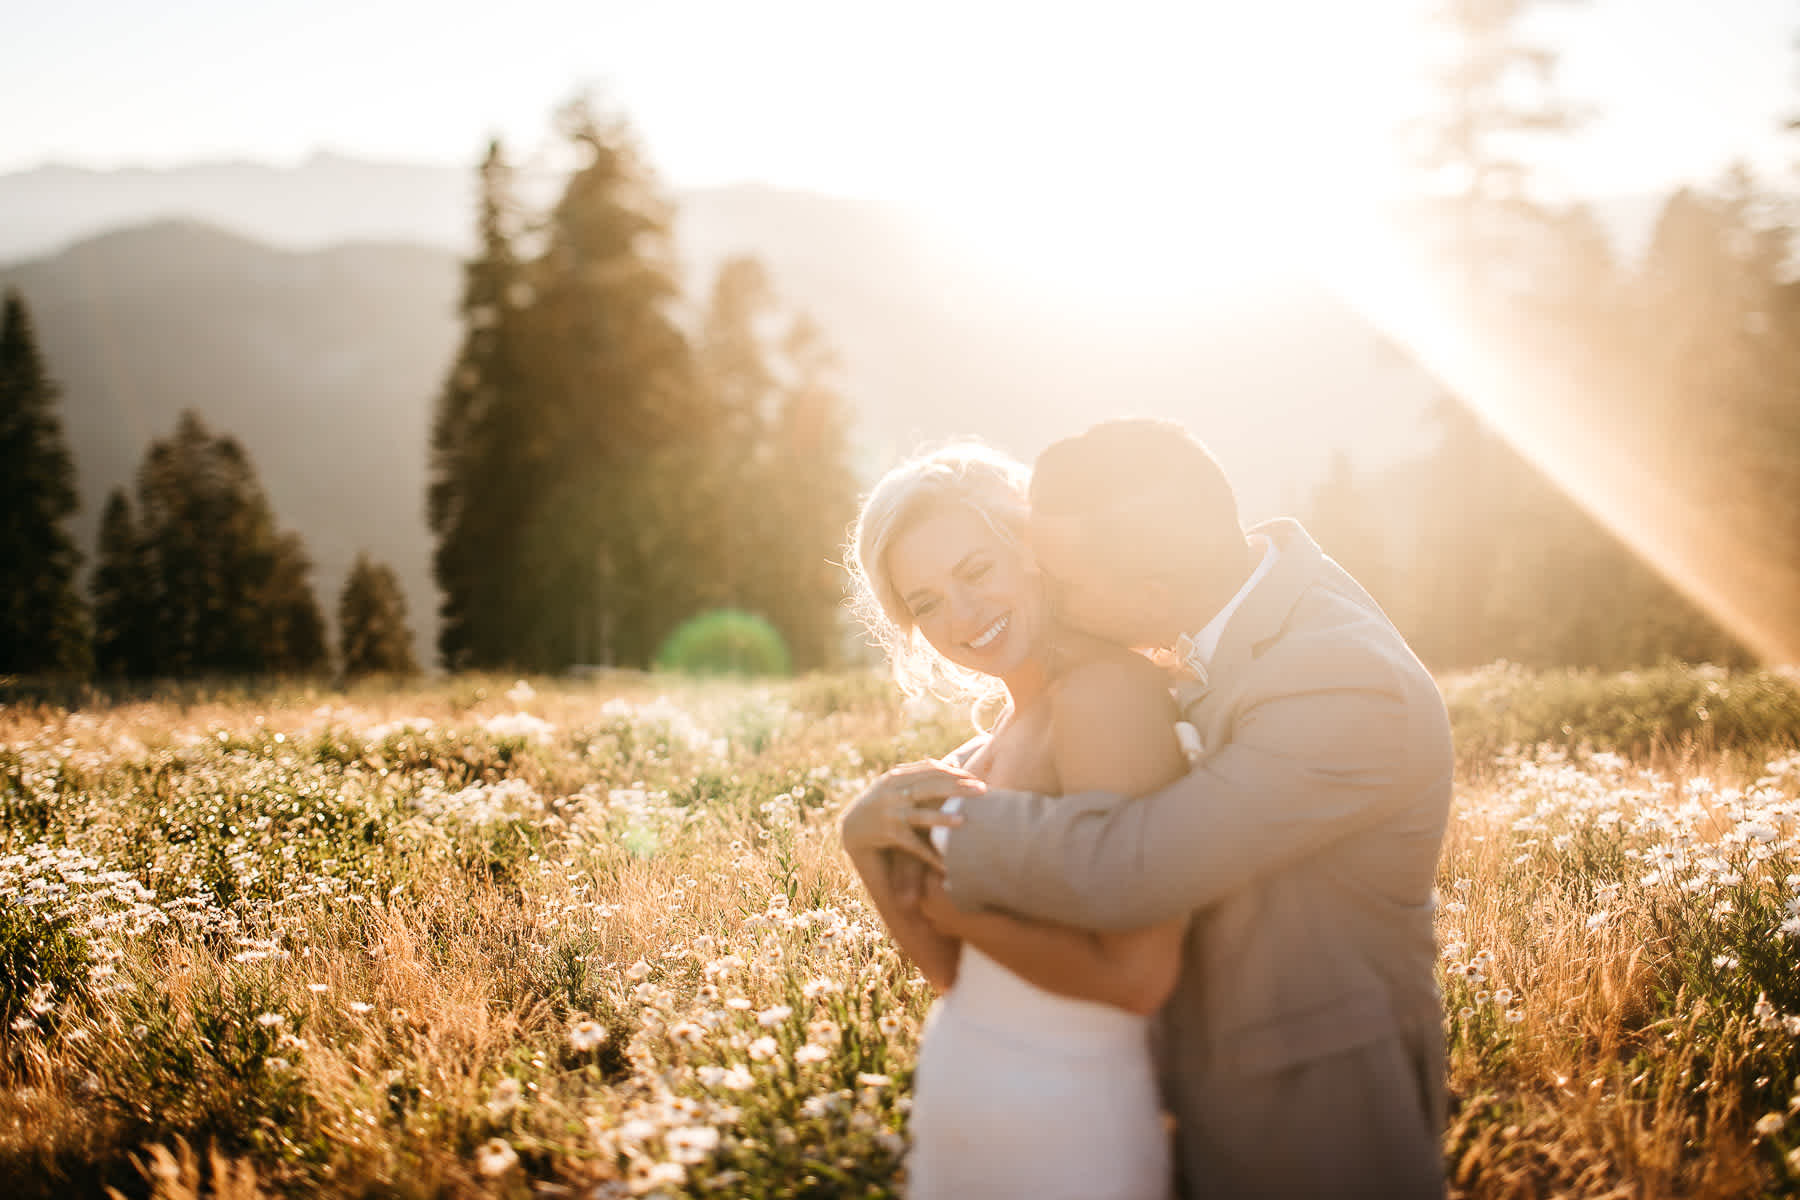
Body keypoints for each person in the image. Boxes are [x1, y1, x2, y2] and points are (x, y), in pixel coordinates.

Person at [841, 417, 1455, 1200]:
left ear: (1149, 591)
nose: (1049, 586)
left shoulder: (1338, 674)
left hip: (1316, 1108)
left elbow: (1131, 864)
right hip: (1166, 1087)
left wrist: (921, 830)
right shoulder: (1190, 643)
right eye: (927, 600)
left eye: (1059, 576)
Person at [838, 441, 1194, 1200]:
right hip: (966, 1089)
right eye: (925, 601)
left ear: (1030, 551)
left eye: (976, 571)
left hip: (1069, 1113)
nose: (960, 618)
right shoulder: (984, 742)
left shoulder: (1107, 696)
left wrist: (947, 902)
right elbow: (952, 977)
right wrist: (864, 844)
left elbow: (1138, 979)